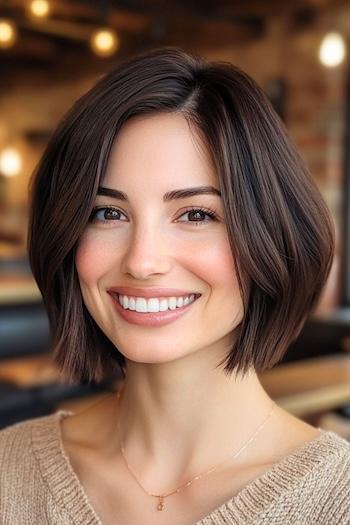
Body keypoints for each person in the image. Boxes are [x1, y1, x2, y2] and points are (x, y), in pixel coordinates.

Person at [1, 47, 349, 525]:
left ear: (271, 233)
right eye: (108, 213)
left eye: (196, 215)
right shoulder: (7, 469)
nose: (142, 261)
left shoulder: (337, 502)